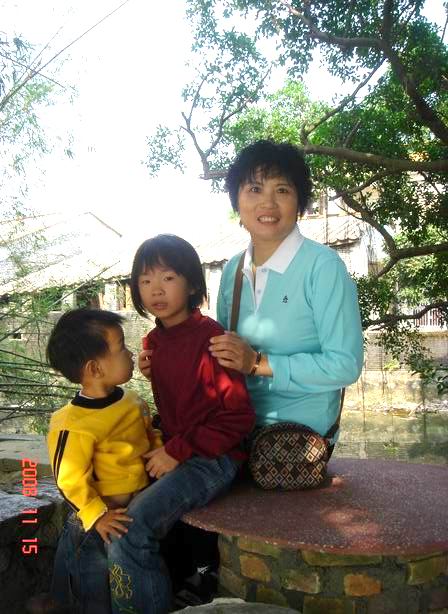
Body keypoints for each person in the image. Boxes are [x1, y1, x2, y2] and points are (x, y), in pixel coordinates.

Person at [106, 233, 255, 614]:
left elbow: (238, 418)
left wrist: (177, 450)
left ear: (191, 284)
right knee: (105, 507)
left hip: (214, 457)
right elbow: (180, 402)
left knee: (129, 527)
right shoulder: (155, 342)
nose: (155, 289)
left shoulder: (213, 340)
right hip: (176, 451)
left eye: (168, 278)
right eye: (145, 280)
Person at [209, 139, 364, 450]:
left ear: (299, 203)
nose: (267, 203)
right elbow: (225, 355)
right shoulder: (232, 271)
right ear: (236, 201)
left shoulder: (322, 267)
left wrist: (257, 363)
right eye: (254, 189)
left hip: (298, 438)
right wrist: (168, 361)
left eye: (282, 190)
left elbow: (345, 365)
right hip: (237, 424)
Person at [45, 308, 163, 614]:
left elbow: (149, 437)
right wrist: (97, 517)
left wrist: (160, 456)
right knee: (91, 592)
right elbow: (69, 479)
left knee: (118, 586)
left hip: (129, 512)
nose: (130, 353)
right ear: (95, 368)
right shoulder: (72, 424)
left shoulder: (132, 402)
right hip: (94, 524)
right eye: (121, 347)